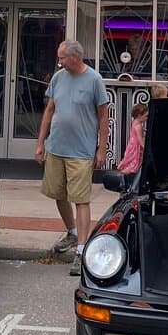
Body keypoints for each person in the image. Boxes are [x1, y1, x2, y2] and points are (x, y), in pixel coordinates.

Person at [35, 40, 109, 277]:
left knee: (81, 199)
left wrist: (101, 149)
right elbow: (49, 110)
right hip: (56, 146)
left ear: (75, 57)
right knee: (58, 194)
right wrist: (40, 143)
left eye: (62, 58)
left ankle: (82, 250)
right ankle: (72, 232)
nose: (59, 62)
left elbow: (103, 116)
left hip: (81, 151)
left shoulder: (94, 80)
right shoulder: (58, 78)